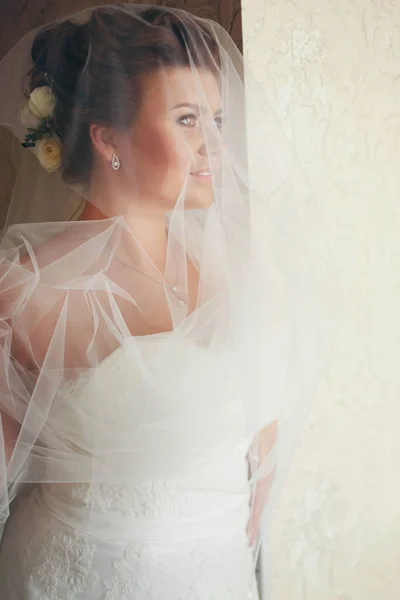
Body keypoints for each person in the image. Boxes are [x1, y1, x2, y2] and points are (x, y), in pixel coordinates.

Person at [0, 4, 335, 599]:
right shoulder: (29, 292)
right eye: (187, 119)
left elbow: (262, 431)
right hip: (89, 578)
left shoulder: (241, 265)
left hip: (221, 573)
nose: (214, 145)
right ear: (108, 139)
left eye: (217, 118)